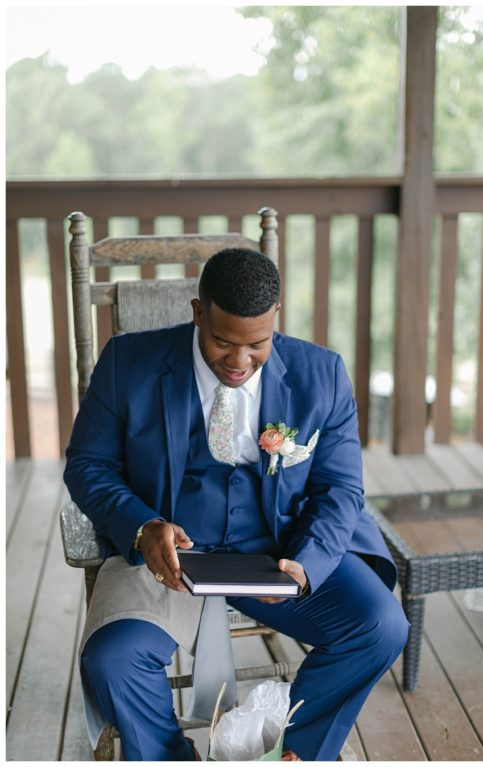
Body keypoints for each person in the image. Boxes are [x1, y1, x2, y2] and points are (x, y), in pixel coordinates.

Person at [64, 247, 408, 760]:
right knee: (113, 658)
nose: (240, 362)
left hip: (279, 552)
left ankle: (288, 752)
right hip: (167, 560)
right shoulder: (126, 363)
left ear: (277, 318)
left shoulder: (324, 374)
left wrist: (305, 566)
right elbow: (87, 465)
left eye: (258, 345)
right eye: (223, 342)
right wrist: (141, 527)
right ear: (198, 312)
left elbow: (340, 489)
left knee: (381, 627)